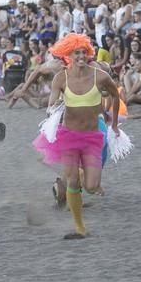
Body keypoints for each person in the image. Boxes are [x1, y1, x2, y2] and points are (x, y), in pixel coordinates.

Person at [33, 33, 120, 240]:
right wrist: (52, 107)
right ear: (69, 55)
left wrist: (114, 124)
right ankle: (80, 227)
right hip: (69, 135)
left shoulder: (100, 75)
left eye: (84, 52)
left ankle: (76, 190)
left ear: (89, 54)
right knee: (72, 181)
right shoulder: (60, 77)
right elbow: (52, 100)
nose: (81, 56)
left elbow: (115, 96)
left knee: (91, 186)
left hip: (92, 137)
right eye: (76, 53)